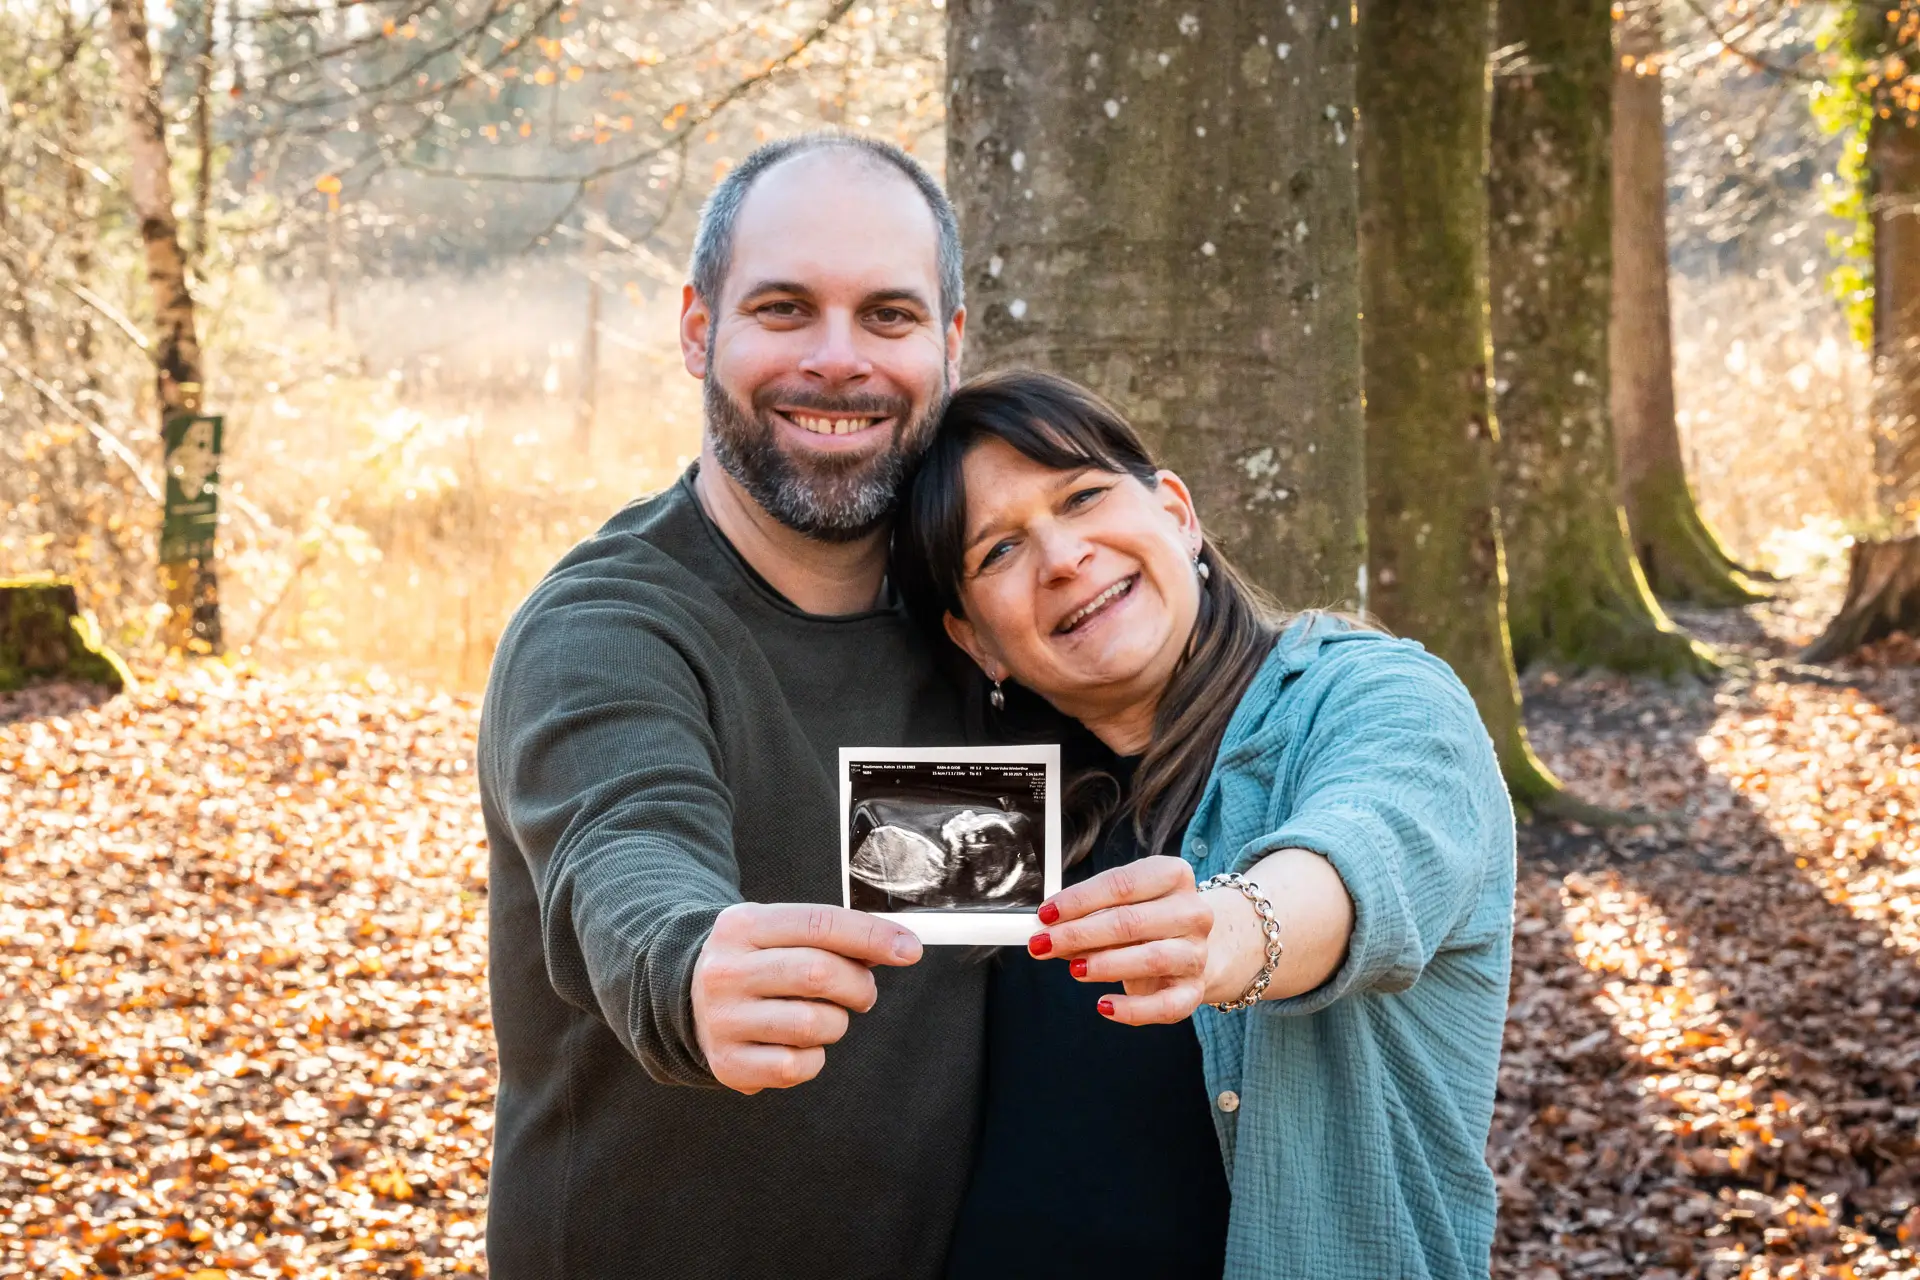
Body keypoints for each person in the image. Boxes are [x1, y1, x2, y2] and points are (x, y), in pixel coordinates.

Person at [477, 134, 981, 1278]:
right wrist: (689, 962)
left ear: (950, 344)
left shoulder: (987, 615)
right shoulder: (602, 632)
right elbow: (625, 848)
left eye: (890, 316)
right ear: (701, 330)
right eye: (786, 308)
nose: (839, 359)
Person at [891, 370, 1518, 1280]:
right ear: (975, 639)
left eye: (1083, 496)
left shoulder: (1370, 697)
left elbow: (1369, 855)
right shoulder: (983, 807)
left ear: (1178, 514)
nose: (1063, 558)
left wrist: (1230, 934)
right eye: (998, 552)